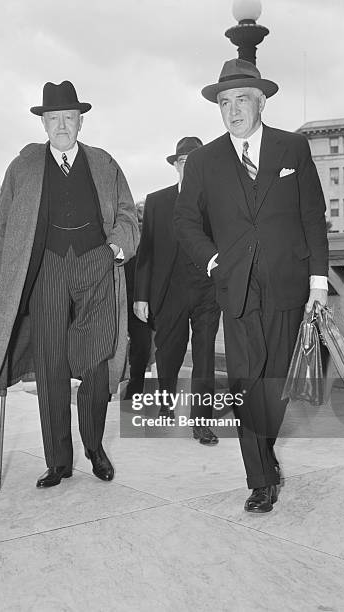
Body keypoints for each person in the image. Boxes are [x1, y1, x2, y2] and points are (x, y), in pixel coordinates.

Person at [173, 59, 328, 512]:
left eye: (242, 99)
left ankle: (266, 450)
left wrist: (318, 282)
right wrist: (213, 260)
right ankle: (259, 478)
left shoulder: (293, 149)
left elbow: (312, 217)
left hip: (288, 284)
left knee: (276, 383)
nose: (233, 110)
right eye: (224, 102)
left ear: (260, 102)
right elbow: (185, 223)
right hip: (235, 288)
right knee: (245, 381)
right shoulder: (203, 161)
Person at [0, 81, 139, 488]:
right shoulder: (24, 166)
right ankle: (58, 461)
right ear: (43, 123)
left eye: (68, 118)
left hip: (95, 266)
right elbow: (4, 224)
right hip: (45, 269)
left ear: (80, 122)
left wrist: (114, 251)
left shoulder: (104, 163)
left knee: (96, 364)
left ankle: (94, 448)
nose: (61, 125)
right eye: (53, 119)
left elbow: (127, 215)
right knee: (50, 366)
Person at [134, 137, 221, 445]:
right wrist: (141, 296)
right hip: (169, 291)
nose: (189, 168)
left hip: (207, 292)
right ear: (175, 166)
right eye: (184, 162)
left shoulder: (218, 201)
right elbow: (146, 252)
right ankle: (166, 404)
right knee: (168, 354)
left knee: (204, 358)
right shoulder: (157, 201)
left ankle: (202, 423)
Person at [122, 200, 153, 401]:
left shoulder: (149, 240)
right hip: (118, 301)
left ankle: (135, 389)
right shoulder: (120, 237)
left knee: (141, 348)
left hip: (139, 302)